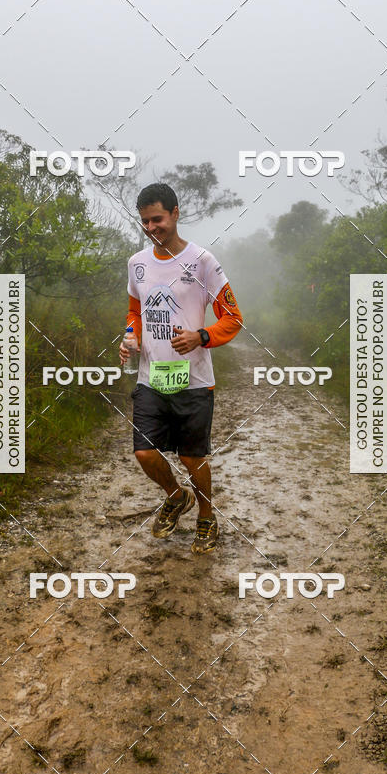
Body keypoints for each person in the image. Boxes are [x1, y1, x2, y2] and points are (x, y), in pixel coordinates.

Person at [119, 182, 243, 554]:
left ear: (175, 213)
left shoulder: (203, 262)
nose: (151, 228)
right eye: (145, 222)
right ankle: (176, 496)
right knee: (144, 451)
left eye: (157, 219)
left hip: (194, 380)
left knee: (191, 456)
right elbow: (134, 312)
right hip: (151, 378)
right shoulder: (137, 264)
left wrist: (201, 336)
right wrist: (130, 338)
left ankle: (206, 515)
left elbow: (233, 318)